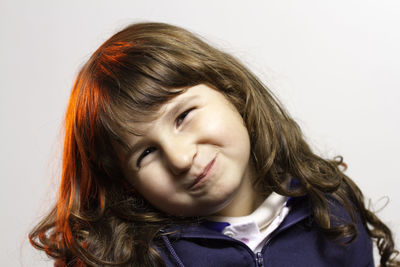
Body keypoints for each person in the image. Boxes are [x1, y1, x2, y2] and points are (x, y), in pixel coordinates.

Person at [29, 22, 399, 267]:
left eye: (183, 116)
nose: (181, 157)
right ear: (126, 183)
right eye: (145, 153)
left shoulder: (331, 211)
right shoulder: (138, 260)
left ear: (232, 93)